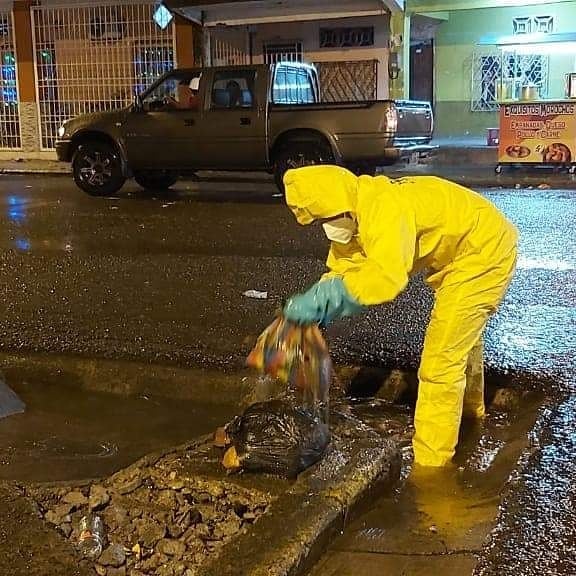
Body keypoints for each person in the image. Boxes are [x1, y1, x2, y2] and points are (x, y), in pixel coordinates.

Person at [282, 165, 518, 467]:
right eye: (320, 222)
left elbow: (385, 277)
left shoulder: (384, 209)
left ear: (339, 204)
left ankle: (432, 465)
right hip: (463, 251)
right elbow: (346, 268)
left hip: (483, 253)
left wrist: (327, 299)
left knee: (441, 362)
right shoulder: (355, 209)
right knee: (461, 339)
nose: (326, 226)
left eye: (325, 218)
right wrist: (314, 305)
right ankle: (470, 414)